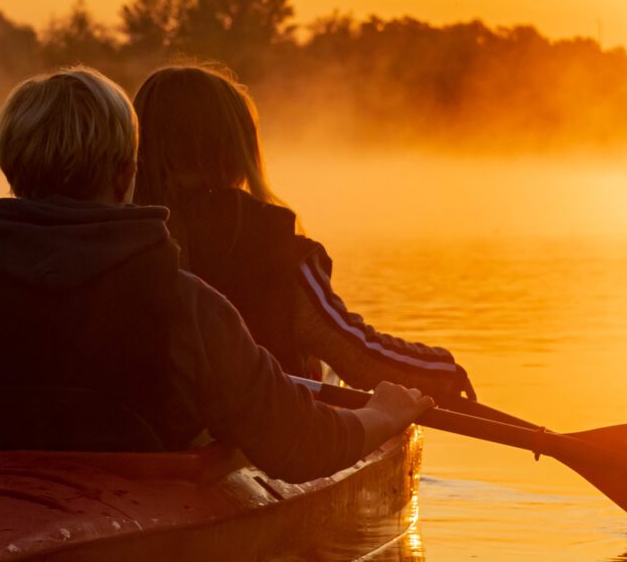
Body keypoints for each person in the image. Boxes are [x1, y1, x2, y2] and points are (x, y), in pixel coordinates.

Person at [0, 66, 430, 481]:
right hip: (136, 521)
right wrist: (382, 414)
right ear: (126, 175)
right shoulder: (184, 304)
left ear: (10, 170)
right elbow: (297, 449)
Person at [132, 62, 475, 402]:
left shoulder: (113, 234)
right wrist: (441, 369)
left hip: (140, 433)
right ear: (236, 150)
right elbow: (358, 356)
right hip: (263, 437)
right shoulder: (275, 244)